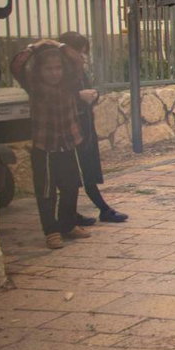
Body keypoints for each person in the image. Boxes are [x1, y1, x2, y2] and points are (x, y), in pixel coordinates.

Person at [10, 40, 91, 250]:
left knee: (71, 187)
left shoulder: (69, 83)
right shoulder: (34, 86)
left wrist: (59, 44)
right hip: (45, 146)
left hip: (69, 143)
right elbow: (17, 66)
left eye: (58, 68)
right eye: (49, 69)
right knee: (46, 191)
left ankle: (68, 225)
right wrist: (34, 47)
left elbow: (77, 61)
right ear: (39, 71)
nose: (54, 73)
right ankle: (51, 231)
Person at [55, 31, 127, 224]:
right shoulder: (60, 71)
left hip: (85, 124)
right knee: (78, 171)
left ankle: (75, 213)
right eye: (79, 52)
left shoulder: (77, 70)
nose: (82, 56)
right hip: (71, 127)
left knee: (87, 168)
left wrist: (92, 95)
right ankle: (100, 209)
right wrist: (79, 97)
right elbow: (57, 97)